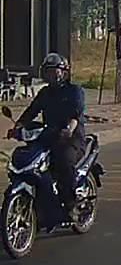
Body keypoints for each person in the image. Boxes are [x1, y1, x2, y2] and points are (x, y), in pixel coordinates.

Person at [15, 53, 86, 217]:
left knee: (63, 161)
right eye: (48, 71)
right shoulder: (45, 93)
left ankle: (71, 204)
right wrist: (18, 126)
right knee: (28, 158)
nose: (51, 75)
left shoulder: (75, 91)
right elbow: (32, 111)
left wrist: (69, 129)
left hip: (71, 139)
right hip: (49, 135)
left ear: (64, 72)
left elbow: (75, 114)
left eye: (54, 71)